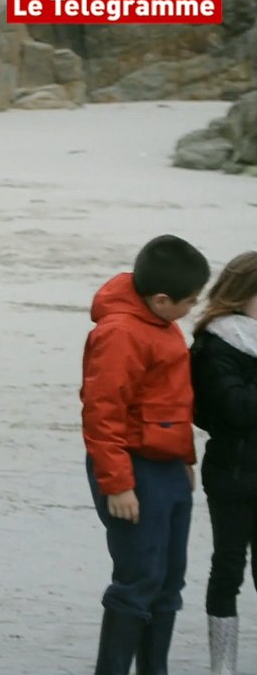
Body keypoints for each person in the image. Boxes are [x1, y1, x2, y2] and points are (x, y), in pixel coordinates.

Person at [81, 234, 211, 675]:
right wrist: (117, 483)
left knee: (169, 580)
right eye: (190, 302)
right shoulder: (119, 333)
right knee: (139, 580)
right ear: (160, 299)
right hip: (132, 469)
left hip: (168, 467)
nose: (193, 309)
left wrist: (186, 458)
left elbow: (173, 400)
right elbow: (102, 412)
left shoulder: (163, 324)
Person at [191, 251, 257, 675]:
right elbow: (234, 408)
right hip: (233, 472)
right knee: (228, 566)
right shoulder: (215, 341)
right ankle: (224, 666)